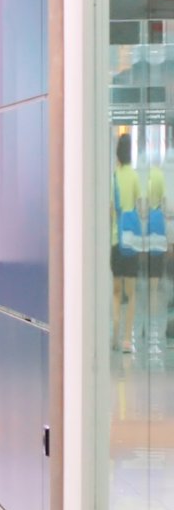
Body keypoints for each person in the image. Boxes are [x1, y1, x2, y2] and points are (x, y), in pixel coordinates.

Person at [117, 133, 143, 353]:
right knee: (131, 292)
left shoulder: (114, 175)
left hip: (115, 238)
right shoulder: (134, 176)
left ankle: (114, 335)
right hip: (131, 239)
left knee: (116, 291)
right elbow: (137, 205)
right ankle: (127, 339)